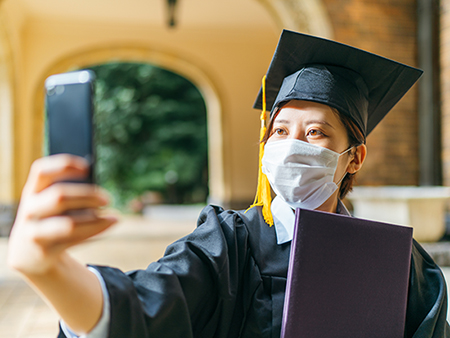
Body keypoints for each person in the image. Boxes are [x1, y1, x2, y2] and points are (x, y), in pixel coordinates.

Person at [7, 30, 450, 338]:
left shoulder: (399, 262)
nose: (293, 144)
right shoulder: (227, 240)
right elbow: (152, 304)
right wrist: (53, 272)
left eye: (315, 132)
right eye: (280, 131)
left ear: (354, 157)